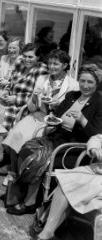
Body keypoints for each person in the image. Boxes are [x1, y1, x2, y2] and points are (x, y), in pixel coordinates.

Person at [7, 63, 102, 216]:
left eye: (90, 82)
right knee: (25, 149)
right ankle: (25, 193)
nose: (85, 85)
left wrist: (83, 120)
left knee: (37, 159)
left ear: (97, 83)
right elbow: (56, 115)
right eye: (82, 81)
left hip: (73, 148)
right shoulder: (72, 96)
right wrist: (50, 115)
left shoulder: (99, 103)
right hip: (56, 138)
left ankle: (30, 201)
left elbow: (97, 134)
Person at [0, 50, 79, 175]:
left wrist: (59, 106)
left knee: (30, 140)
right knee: (17, 133)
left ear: (64, 66)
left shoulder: (73, 85)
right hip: (39, 115)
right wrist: (35, 98)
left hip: (57, 122)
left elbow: (72, 111)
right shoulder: (42, 79)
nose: (51, 67)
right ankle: (14, 169)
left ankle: (25, 170)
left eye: (56, 64)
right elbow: (31, 108)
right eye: (50, 63)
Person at [22, 134, 102, 240]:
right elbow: (97, 138)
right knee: (66, 180)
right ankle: (47, 233)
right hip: (96, 171)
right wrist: (94, 149)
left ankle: (45, 237)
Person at [0, 43, 48, 132]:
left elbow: (38, 96)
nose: (26, 59)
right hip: (8, 100)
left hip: (22, 107)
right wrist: (6, 92)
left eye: (30, 57)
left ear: (38, 57)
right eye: (24, 56)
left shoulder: (41, 70)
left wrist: (17, 98)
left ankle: (0, 138)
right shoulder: (20, 64)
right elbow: (11, 81)